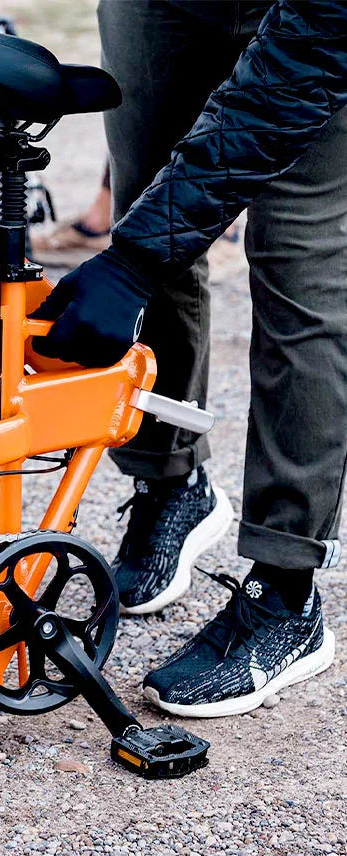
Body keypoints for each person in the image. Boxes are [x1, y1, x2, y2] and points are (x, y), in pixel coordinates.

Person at [32, 0, 345, 717]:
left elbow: (308, 59)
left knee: (300, 271)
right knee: (148, 199)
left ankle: (285, 593)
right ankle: (171, 483)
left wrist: (134, 262)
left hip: (320, 24)